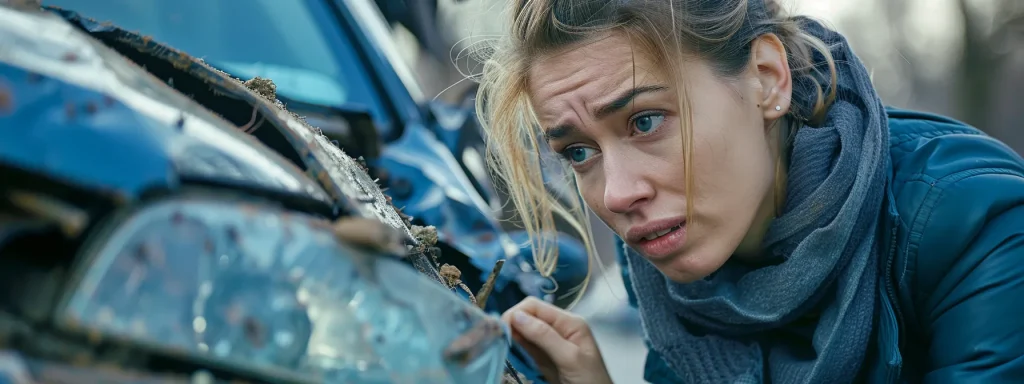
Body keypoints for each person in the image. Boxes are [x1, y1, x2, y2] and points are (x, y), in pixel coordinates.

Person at [469, 0, 1024, 383]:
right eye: (579, 153)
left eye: (645, 122)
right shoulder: (673, 255)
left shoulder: (974, 222)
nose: (617, 194)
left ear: (767, 77)